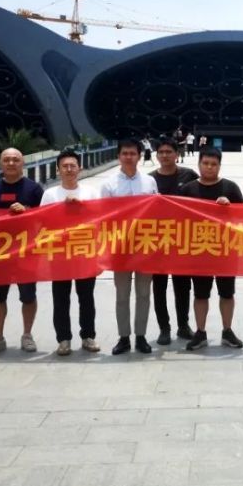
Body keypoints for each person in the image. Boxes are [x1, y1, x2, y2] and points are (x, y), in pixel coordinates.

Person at [179, 146, 243, 350]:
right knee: (200, 294)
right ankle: (200, 332)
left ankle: (227, 331)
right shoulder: (188, 189)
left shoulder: (230, 188)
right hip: (199, 251)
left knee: (227, 293)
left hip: (225, 251)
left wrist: (230, 207)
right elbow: (178, 220)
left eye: (213, 164)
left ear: (219, 165)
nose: (209, 167)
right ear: (198, 164)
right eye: (205, 163)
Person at [0, 147, 44, 355]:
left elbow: (44, 219)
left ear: (22, 163)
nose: (11, 163)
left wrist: (27, 212)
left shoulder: (34, 189)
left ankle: (27, 335)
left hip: (26, 251)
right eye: (6, 160)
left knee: (28, 295)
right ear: (0, 163)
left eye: (15, 159)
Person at [98, 138, 159, 355]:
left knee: (144, 294)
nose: (129, 157)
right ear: (119, 156)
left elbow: (156, 213)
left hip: (144, 246)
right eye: (125, 153)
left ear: (140, 156)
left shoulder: (149, 182)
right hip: (120, 248)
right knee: (122, 294)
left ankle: (141, 336)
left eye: (133, 153)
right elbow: (103, 216)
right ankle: (124, 337)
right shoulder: (108, 184)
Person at [40, 148, 100, 356]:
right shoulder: (50, 194)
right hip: (59, 254)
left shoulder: (91, 192)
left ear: (80, 168)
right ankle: (63, 339)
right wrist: (62, 210)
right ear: (58, 170)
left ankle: (88, 336)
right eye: (64, 166)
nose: (68, 169)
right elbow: (42, 222)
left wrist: (82, 209)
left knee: (86, 297)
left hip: (84, 252)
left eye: (72, 166)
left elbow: (99, 220)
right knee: (60, 298)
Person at [149, 137, 198, 345]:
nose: (165, 155)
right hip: (157, 241)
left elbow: (201, 200)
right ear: (157, 155)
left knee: (182, 285)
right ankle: (164, 328)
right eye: (161, 152)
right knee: (159, 286)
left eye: (169, 151)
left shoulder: (189, 175)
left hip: (182, 240)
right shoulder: (149, 180)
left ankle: (183, 325)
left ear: (177, 154)